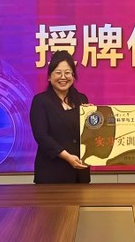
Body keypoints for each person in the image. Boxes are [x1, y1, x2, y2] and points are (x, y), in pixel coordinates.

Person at [29, 50, 90, 183]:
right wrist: (67, 157)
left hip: (80, 172)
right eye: (58, 73)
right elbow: (41, 136)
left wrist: (93, 117)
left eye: (67, 72)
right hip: (51, 173)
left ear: (73, 76)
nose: (63, 77)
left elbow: (89, 134)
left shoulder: (82, 100)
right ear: (49, 77)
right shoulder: (40, 101)